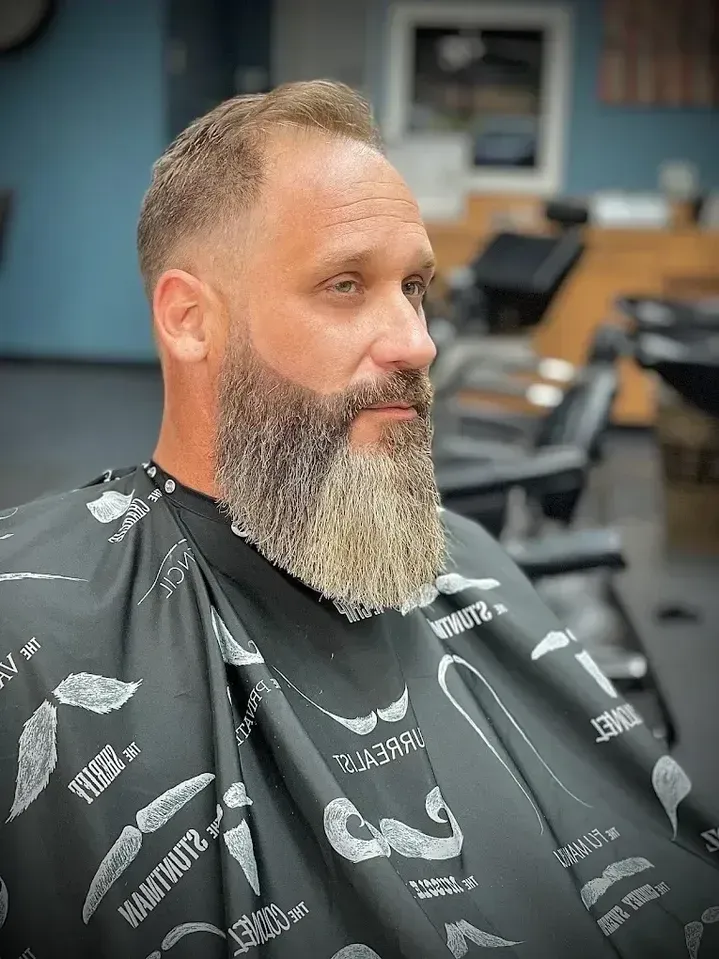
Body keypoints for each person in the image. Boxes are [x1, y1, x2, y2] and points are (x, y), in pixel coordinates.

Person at [0, 81, 717, 959]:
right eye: (345, 285)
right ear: (190, 320)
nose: (418, 340)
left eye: (414, 287)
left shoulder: (466, 556)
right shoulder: (24, 626)